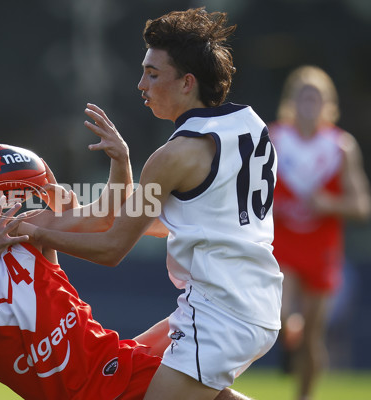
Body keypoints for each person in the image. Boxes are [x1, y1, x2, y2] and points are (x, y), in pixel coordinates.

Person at [17, 7, 282, 400]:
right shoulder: (251, 126)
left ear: (187, 82)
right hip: (254, 303)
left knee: (127, 389)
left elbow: (112, 248)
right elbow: (148, 219)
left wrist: (32, 232)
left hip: (220, 311)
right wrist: (121, 162)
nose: (141, 84)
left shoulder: (172, 157)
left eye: (153, 74)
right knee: (124, 369)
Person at [0, 130, 250, 399]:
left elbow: (106, 216)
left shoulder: (22, 233)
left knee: (217, 393)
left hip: (111, 369)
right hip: (86, 391)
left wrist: (119, 162)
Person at [269, 65, 371, 400]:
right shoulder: (273, 138)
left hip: (322, 246)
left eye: (316, 97)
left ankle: (304, 396)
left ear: (329, 103)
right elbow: (248, 192)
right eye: (303, 96)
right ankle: (288, 333)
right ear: (291, 101)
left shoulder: (341, 147)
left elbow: (361, 205)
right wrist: (274, 206)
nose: (309, 104)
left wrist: (327, 203)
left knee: (314, 336)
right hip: (283, 241)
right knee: (280, 312)